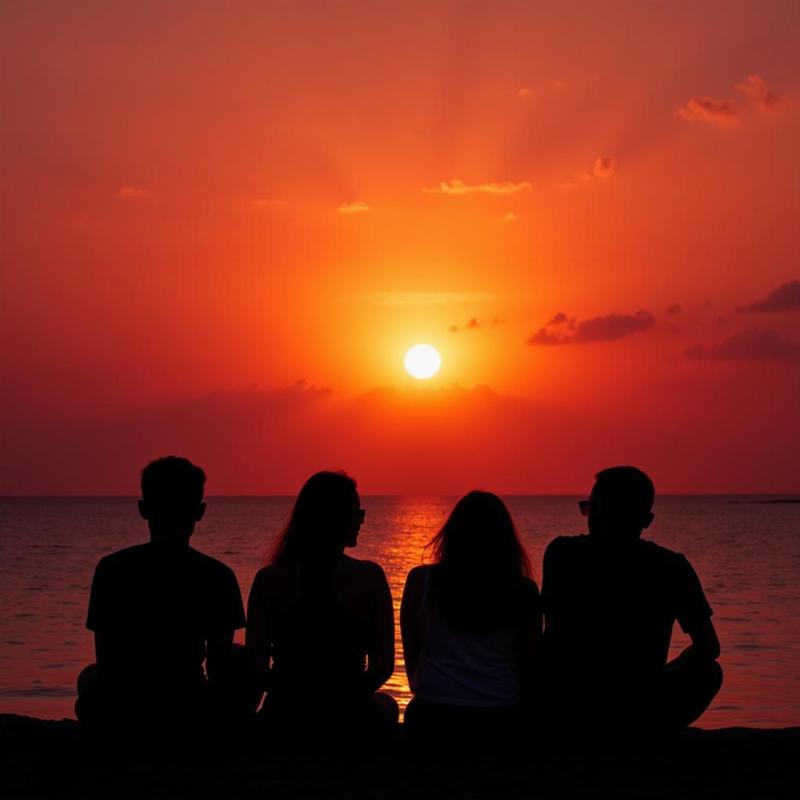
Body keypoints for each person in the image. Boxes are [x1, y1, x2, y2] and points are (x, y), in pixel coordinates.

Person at [75, 456, 246, 745]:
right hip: (189, 708)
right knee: (240, 658)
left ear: (143, 509)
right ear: (200, 512)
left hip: (125, 712)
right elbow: (218, 666)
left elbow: (108, 662)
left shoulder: (112, 569)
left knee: (89, 676)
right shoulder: (218, 575)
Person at [541, 466, 722, 737]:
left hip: (566, 707)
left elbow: (545, 635)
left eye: (592, 507)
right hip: (639, 709)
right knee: (709, 672)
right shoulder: (672, 567)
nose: (591, 516)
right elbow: (708, 647)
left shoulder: (562, 554)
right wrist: (663, 673)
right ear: (647, 519)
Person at [245, 471, 397, 746]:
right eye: (357, 512)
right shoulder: (369, 577)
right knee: (389, 704)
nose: (361, 520)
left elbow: (256, 667)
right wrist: (342, 698)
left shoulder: (269, 580)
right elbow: (383, 666)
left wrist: (296, 697)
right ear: (337, 518)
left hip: (286, 714)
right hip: (350, 715)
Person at [400, 491, 541, 746]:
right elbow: (528, 666)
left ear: (452, 534)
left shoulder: (421, 581)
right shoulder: (523, 590)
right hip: (500, 713)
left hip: (432, 713)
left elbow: (413, 658)